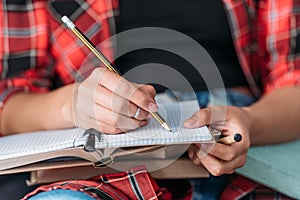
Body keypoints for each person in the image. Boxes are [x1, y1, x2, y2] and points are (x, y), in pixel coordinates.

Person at [1, 0, 300, 199]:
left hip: (250, 145)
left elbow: (294, 82)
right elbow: (9, 101)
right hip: (108, 157)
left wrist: (250, 122)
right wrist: (73, 104)